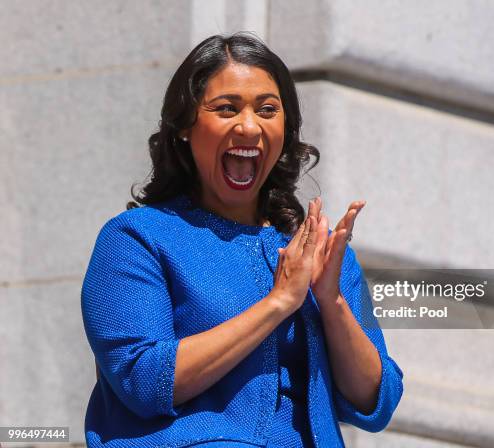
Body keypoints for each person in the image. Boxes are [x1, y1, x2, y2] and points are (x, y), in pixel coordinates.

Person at [81, 32, 403, 448]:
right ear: (184, 126)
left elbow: (376, 402)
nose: (249, 126)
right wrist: (279, 302)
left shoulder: (317, 255)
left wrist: (331, 301)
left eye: (268, 110)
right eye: (226, 108)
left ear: (285, 130)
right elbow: (143, 380)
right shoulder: (137, 238)